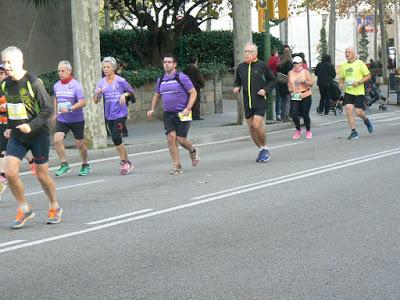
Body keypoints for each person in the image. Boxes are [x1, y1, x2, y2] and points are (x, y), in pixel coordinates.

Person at [0, 46, 62, 228]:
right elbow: (13, 107)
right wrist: (11, 127)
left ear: (20, 61)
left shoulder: (33, 82)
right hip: (18, 135)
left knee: (42, 176)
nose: (5, 66)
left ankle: (54, 205)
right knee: (10, 172)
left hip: (38, 134)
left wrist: (30, 125)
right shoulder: (5, 84)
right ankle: (24, 208)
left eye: (9, 62)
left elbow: (48, 109)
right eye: (3, 62)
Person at [147, 53, 200, 174]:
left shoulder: (181, 77)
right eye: (165, 62)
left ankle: (192, 150)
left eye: (169, 62)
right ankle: (177, 165)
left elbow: (193, 92)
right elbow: (157, 95)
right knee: (171, 138)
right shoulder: (161, 80)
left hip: (183, 112)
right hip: (168, 114)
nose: (166, 64)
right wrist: (152, 109)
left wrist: (188, 107)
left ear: (174, 64)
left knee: (181, 139)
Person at [233, 42, 275, 162]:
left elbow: (272, 80)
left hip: (259, 100)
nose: (247, 54)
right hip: (247, 102)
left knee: (257, 125)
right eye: (245, 51)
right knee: (251, 128)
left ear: (255, 53)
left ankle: (265, 147)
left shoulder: (262, 66)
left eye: (250, 51)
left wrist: (265, 90)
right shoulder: (240, 67)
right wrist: (237, 87)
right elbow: (237, 81)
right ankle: (261, 149)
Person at [94, 56, 135, 175]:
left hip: (121, 114)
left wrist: (124, 95)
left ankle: (124, 163)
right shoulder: (101, 82)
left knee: (116, 137)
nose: (105, 69)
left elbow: (131, 92)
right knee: (117, 140)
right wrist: (98, 94)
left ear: (114, 68)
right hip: (109, 115)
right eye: (104, 67)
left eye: (108, 67)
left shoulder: (120, 81)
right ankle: (127, 162)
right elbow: (95, 101)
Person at [53, 61, 91, 177]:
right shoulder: (56, 85)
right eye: (59, 71)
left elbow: (83, 102)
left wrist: (70, 108)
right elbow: (56, 99)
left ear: (69, 71)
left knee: (79, 144)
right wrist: (55, 114)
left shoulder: (76, 85)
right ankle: (64, 164)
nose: (60, 73)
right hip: (62, 119)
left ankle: (85, 164)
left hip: (76, 119)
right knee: (57, 139)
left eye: (63, 70)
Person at [338, 47, 373, 140]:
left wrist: (358, 82)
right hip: (349, 91)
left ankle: (366, 120)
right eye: (345, 52)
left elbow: (368, 75)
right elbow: (341, 78)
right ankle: (354, 132)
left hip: (359, 91)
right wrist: (341, 83)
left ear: (354, 54)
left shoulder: (360, 63)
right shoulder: (343, 65)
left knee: (358, 112)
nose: (347, 54)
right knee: (348, 108)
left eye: (349, 52)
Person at [287, 56, 314, 139]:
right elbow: (288, 83)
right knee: (294, 114)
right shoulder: (290, 73)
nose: (296, 65)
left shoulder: (305, 72)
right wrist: (291, 91)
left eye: (297, 63)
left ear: (301, 63)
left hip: (305, 94)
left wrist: (304, 81)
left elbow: (311, 84)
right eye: (294, 63)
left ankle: (308, 130)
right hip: (295, 95)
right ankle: (298, 130)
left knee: (305, 114)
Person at [183, 55, 205, 120]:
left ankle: (188, 115)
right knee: (196, 101)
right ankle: (196, 116)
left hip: (187, 87)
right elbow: (200, 78)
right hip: (195, 87)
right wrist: (202, 84)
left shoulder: (185, 68)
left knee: (188, 101)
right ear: (196, 61)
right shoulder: (195, 68)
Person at [277, 50, 293, 122]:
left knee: (283, 101)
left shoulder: (280, 63)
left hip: (281, 83)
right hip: (287, 83)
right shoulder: (289, 63)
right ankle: (286, 116)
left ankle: (282, 115)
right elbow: (290, 73)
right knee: (288, 100)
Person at [268, 49, 282, 121]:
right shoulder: (275, 59)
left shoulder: (273, 59)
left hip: (272, 78)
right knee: (279, 97)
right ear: (275, 53)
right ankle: (278, 114)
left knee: (273, 95)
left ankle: (278, 114)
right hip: (276, 78)